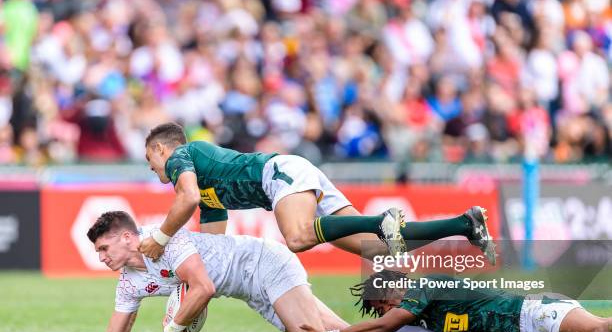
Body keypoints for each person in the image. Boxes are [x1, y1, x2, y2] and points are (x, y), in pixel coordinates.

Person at [55, 212, 455, 332]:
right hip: (252, 290)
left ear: (127, 237)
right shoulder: (129, 280)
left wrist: (174, 327)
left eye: (104, 247)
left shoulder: (165, 238)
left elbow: (204, 287)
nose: (101, 257)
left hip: (266, 263)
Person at [138, 122, 495, 264]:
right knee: (376, 249)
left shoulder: (181, 156)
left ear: (159, 149)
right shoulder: (203, 187)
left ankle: (379, 221)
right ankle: (464, 224)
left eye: (150, 161)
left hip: (279, 174)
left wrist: (160, 237)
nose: (155, 173)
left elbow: (186, 199)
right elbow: (212, 247)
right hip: (293, 174)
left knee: (297, 237)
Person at [297, 271, 612, 332]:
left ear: (391, 291)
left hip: (535, 315)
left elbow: (384, 328)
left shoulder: (425, 285)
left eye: (381, 306)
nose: (384, 314)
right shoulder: (431, 317)